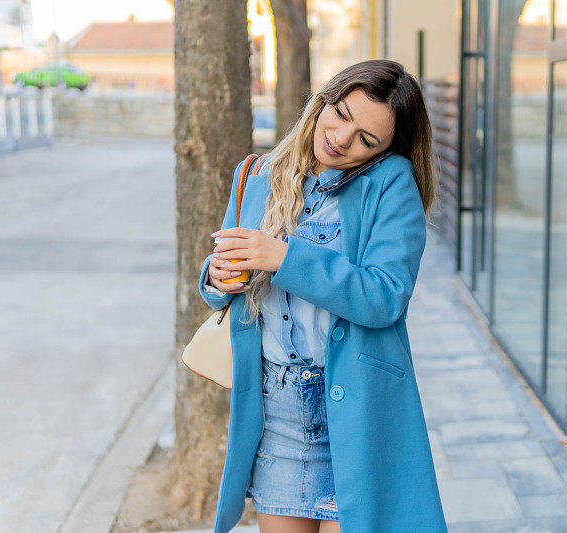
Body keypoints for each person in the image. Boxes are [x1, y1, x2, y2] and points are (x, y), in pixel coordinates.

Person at [198, 59, 448, 533]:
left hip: (357, 415)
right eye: (341, 113)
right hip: (278, 412)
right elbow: (224, 285)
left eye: (367, 140)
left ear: (386, 149)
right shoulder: (259, 173)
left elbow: (384, 297)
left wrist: (284, 257)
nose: (341, 137)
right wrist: (217, 278)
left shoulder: (390, 185)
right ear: (326, 98)